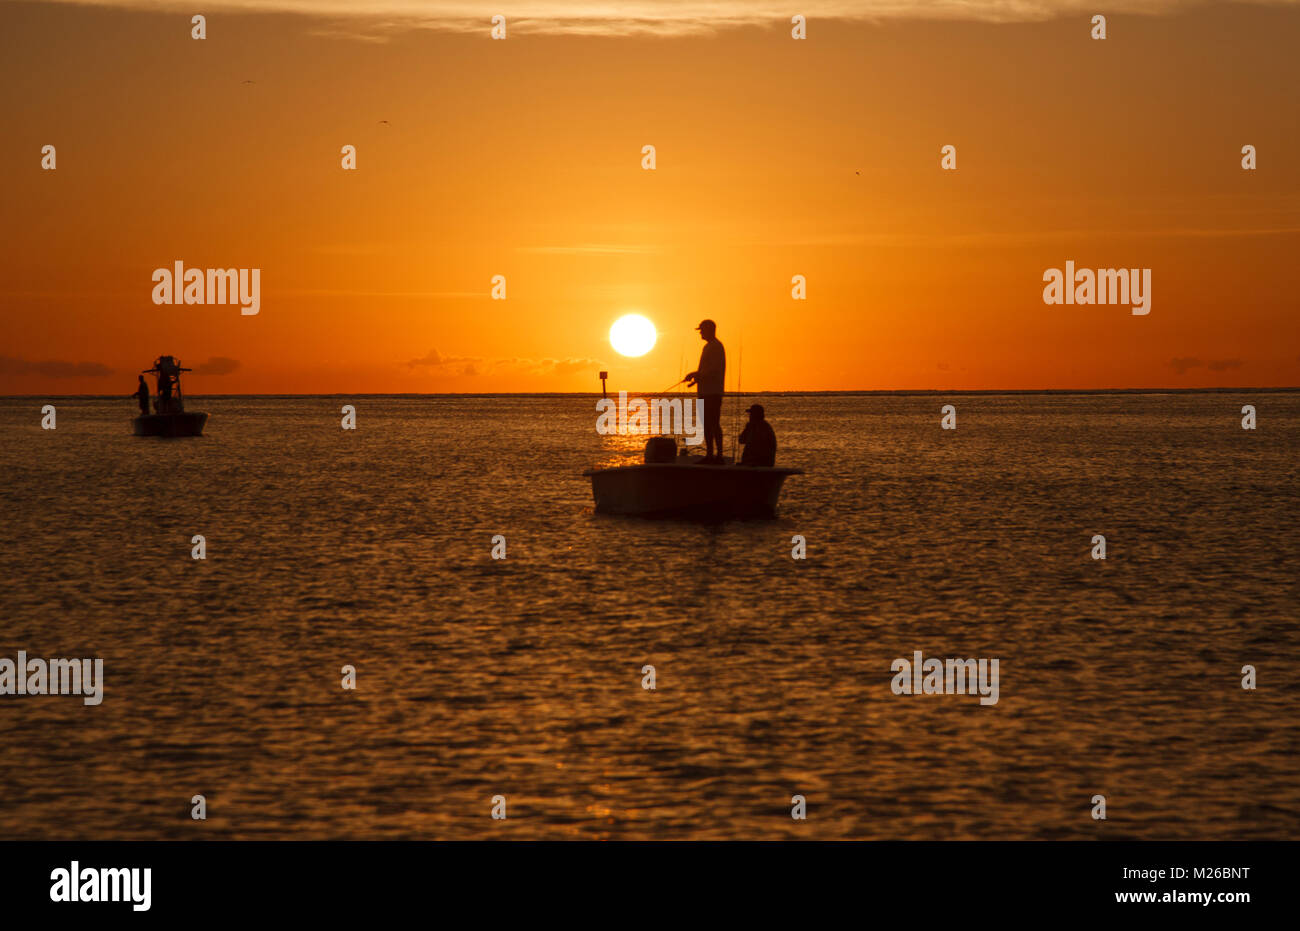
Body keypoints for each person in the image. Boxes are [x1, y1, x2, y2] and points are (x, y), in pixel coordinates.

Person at [684, 319, 725, 463]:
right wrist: (695, 378)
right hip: (705, 392)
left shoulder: (716, 347)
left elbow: (713, 370)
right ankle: (710, 455)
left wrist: (696, 375)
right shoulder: (708, 347)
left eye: (702, 330)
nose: (700, 332)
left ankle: (717, 456)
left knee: (713, 423)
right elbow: (706, 371)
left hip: (712, 393)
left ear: (709, 330)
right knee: (707, 424)